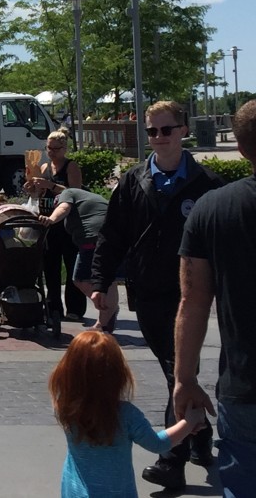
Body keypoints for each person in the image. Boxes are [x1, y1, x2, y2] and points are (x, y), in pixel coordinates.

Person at [91, 100, 221, 490]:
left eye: (167, 130)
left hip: (192, 295)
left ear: (183, 130)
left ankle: (172, 458)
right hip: (148, 292)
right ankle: (198, 435)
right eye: (152, 131)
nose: (160, 138)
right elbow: (112, 235)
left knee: (177, 371)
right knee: (178, 370)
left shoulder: (207, 184)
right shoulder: (134, 181)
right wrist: (101, 282)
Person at [175, 98, 256, 498]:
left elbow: (193, 303)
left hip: (245, 386)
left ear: (240, 148)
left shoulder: (211, 209)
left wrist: (184, 378)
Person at [50, 330, 205, 498]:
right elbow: (158, 444)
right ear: (118, 376)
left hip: (75, 490)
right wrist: (187, 423)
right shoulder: (126, 415)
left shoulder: (65, 407)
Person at [24, 130, 87, 322]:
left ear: (64, 148)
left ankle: (75, 309)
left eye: (55, 149)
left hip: (67, 223)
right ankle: (53, 308)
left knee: (71, 266)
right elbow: (37, 194)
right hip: (47, 221)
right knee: (50, 267)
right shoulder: (44, 167)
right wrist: (32, 187)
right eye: (48, 148)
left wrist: (51, 186)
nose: (51, 152)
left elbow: (76, 192)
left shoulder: (71, 167)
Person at [38, 188, 119, 332]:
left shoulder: (67, 193)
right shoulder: (93, 197)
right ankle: (104, 323)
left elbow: (63, 208)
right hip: (114, 238)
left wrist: (51, 219)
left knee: (80, 279)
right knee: (108, 280)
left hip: (93, 241)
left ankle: (108, 309)